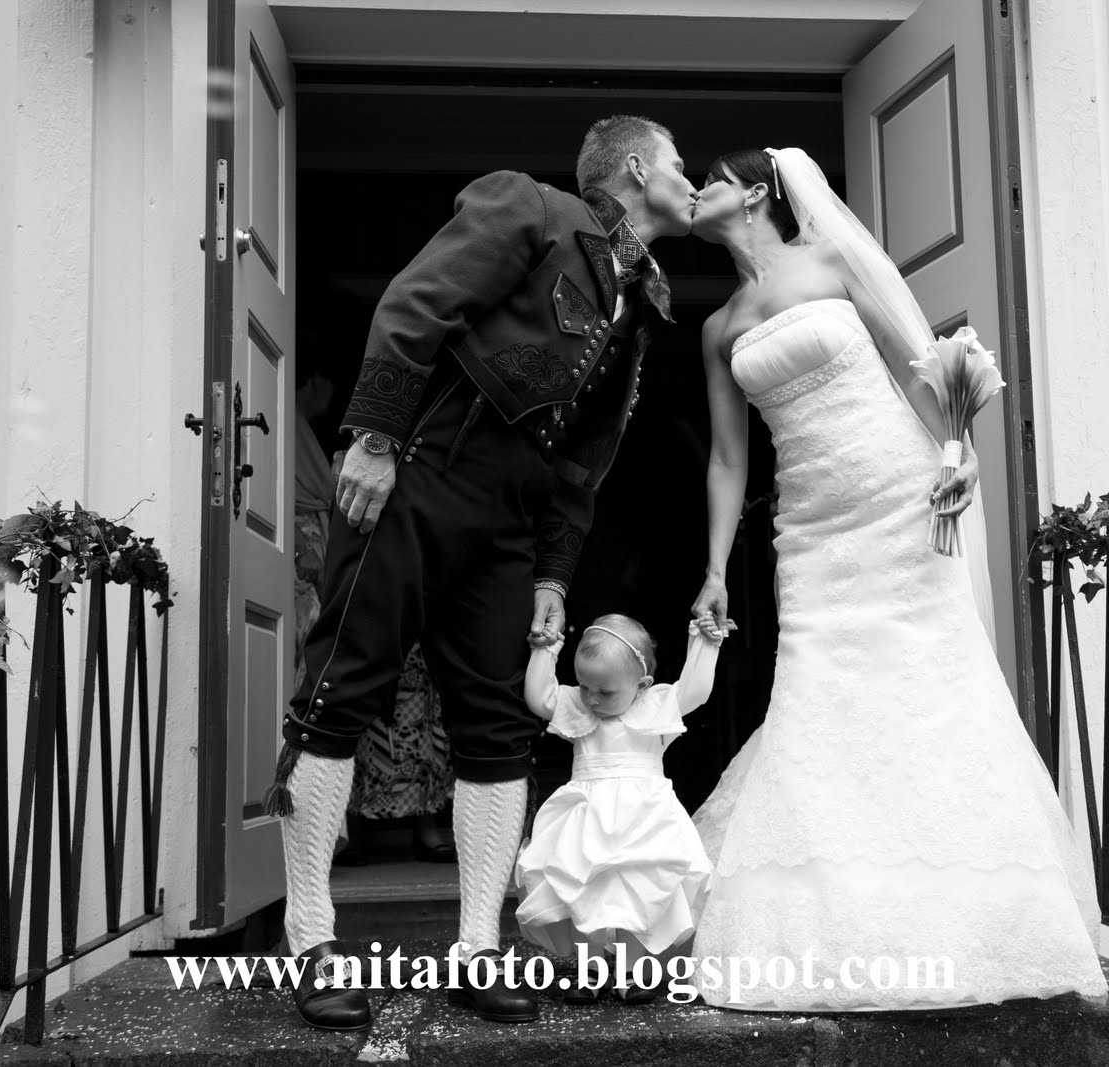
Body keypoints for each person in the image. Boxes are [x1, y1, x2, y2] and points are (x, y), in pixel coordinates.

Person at [262, 116, 697, 1031]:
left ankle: (476, 949)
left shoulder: (640, 300)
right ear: (634, 168)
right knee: (342, 692)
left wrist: (553, 575)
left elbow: (585, 458)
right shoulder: (529, 205)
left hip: (507, 525)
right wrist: (374, 437)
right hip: (417, 474)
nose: (692, 182)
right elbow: (414, 302)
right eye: (679, 165)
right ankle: (311, 939)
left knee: (498, 726)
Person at [686, 148, 1106, 1011]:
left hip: (900, 495)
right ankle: (834, 919)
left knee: (927, 682)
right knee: (818, 690)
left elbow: (919, 363)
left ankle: (975, 913)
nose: (694, 191)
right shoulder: (718, 325)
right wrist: (713, 568)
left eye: (711, 179)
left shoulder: (831, 260)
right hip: (811, 526)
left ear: (756, 192)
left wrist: (957, 450)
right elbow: (728, 459)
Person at [513, 613, 727, 1003]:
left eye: (605, 691)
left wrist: (705, 642)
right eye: (585, 686)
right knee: (581, 889)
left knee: (637, 891)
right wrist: (546, 651)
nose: (592, 698)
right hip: (587, 819)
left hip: (644, 821)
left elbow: (696, 691)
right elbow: (539, 698)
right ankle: (589, 968)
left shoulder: (656, 705)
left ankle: (632, 969)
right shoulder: (578, 706)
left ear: (641, 685)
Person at [292, 368, 456, 866]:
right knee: (354, 702)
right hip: (363, 589)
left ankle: (428, 822)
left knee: (421, 711)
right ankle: (357, 829)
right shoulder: (337, 459)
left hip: (417, 592)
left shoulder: (427, 459)